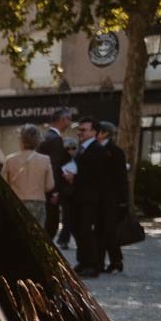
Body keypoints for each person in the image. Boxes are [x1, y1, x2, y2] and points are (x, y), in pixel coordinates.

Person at [70, 116, 107, 277]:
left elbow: (96, 176)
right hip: (79, 197)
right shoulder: (82, 149)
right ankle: (83, 261)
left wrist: (74, 177)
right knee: (78, 229)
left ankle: (92, 264)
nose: (80, 132)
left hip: (90, 199)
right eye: (79, 129)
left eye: (83, 130)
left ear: (94, 132)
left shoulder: (97, 150)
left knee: (86, 231)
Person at [94, 121, 130, 273]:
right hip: (99, 197)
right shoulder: (96, 149)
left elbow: (121, 177)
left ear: (105, 133)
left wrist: (123, 200)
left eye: (97, 131)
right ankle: (101, 261)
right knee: (100, 230)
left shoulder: (115, 151)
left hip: (111, 198)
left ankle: (116, 261)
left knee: (109, 231)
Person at [2, 123, 55, 224]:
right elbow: (49, 185)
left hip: (16, 202)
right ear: (38, 140)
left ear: (21, 139)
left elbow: (3, 184)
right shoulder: (45, 159)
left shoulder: (10, 159)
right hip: (38, 202)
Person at [37, 108, 73, 243]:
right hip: (51, 191)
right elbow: (53, 167)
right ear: (62, 120)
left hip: (45, 189)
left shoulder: (47, 136)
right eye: (69, 119)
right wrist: (54, 192)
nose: (70, 123)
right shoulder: (55, 139)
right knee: (51, 224)